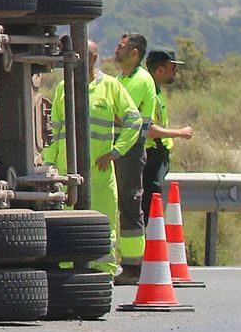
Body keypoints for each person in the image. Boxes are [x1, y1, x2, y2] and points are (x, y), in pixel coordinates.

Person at [42, 40, 144, 274]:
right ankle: (67, 272)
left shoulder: (110, 86)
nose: (76, 62)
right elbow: (54, 131)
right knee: (67, 225)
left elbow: (134, 120)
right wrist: (50, 165)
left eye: (81, 57)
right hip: (67, 172)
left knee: (104, 225)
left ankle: (103, 273)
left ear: (93, 58)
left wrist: (116, 151)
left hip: (99, 175)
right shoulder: (63, 88)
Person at [110, 32, 156, 272]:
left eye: (122, 46)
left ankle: (133, 265)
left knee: (129, 201)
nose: (117, 49)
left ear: (134, 52)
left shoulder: (140, 80)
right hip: (118, 148)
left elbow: (122, 115)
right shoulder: (121, 79)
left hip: (130, 147)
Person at [142, 47, 194, 218]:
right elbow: (148, 129)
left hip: (156, 155)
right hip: (151, 155)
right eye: (173, 68)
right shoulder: (149, 92)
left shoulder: (155, 90)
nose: (175, 72)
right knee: (150, 200)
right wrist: (179, 133)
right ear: (160, 70)